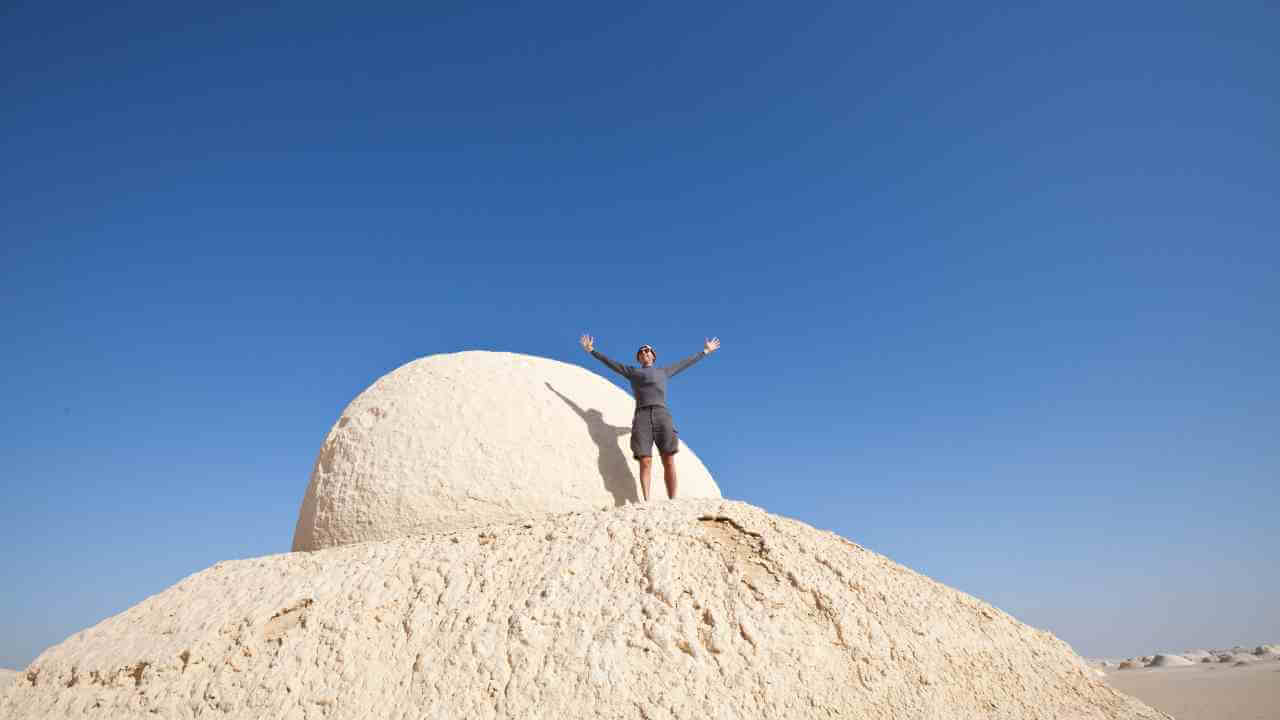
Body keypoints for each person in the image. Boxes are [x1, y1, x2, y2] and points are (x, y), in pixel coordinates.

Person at [579, 334, 720, 501]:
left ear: (653, 355)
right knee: (645, 460)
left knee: (668, 458)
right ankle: (647, 500)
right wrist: (592, 350)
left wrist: (705, 351)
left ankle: (672, 499)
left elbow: (685, 363)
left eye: (648, 350)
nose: (645, 352)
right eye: (641, 351)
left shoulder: (663, 371)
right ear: (639, 358)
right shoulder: (633, 372)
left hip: (662, 415)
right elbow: (611, 364)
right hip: (642, 416)